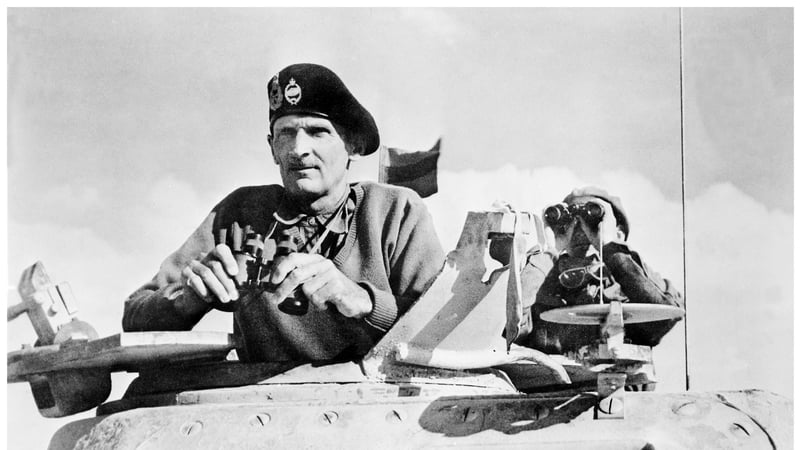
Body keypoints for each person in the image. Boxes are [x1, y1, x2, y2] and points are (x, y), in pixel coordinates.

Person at [123, 63, 445, 362]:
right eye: (286, 133)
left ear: (353, 145)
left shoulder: (395, 213)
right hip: (265, 407)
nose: (298, 149)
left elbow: (448, 329)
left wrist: (366, 302)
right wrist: (185, 300)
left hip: (373, 408)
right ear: (272, 148)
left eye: (318, 132)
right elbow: (135, 315)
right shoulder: (240, 213)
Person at [517, 186, 683, 354]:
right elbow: (511, 326)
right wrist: (549, 251)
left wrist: (611, 249)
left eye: (592, 223)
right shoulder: (545, 279)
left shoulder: (634, 280)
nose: (581, 231)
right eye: (572, 222)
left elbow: (664, 318)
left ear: (619, 233)